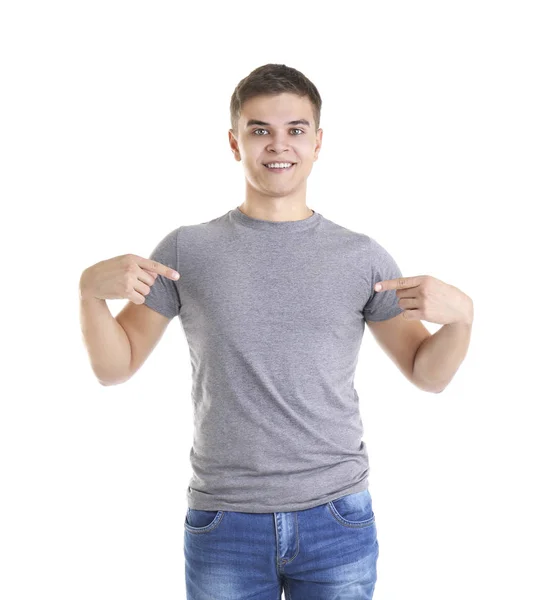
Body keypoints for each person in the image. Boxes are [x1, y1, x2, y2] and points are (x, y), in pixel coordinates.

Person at [79, 63, 473, 600]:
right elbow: (114, 366)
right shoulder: (186, 250)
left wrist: (463, 317)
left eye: (295, 129)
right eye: (260, 129)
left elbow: (426, 373)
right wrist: (88, 292)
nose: (278, 145)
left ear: (317, 142)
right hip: (225, 521)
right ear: (234, 142)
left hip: (336, 516)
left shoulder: (361, 257)